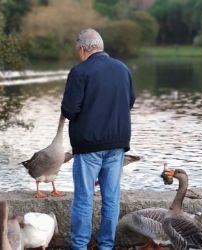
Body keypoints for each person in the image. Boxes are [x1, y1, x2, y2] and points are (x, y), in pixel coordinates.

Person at [61, 28, 135, 250]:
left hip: (89, 145)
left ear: (83, 49)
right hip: (118, 144)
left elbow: (69, 110)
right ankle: (105, 246)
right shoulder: (123, 69)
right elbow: (129, 102)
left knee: (84, 199)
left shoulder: (80, 72)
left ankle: (80, 246)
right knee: (111, 199)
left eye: (78, 52)